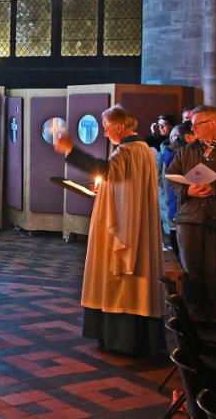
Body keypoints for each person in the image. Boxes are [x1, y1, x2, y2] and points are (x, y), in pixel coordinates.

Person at [55, 105, 164, 357]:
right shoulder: (144, 150)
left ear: (118, 128)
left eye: (105, 129)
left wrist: (70, 149)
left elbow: (106, 169)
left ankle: (123, 339)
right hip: (134, 222)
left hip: (125, 229)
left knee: (121, 279)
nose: (105, 134)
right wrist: (104, 189)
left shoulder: (128, 150)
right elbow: (125, 186)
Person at [167, 105, 216, 321]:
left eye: (196, 123)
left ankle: (212, 314)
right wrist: (186, 189)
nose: (192, 128)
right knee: (190, 267)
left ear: (212, 124)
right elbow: (171, 175)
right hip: (189, 217)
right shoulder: (187, 150)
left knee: (213, 268)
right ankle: (192, 314)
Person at [156, 124, 195, 257]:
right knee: (184, 253)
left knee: (181, 251)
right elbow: (163, 178)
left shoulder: (174, 150)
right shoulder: (177, 152)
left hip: (175, 208)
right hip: (179, 205)